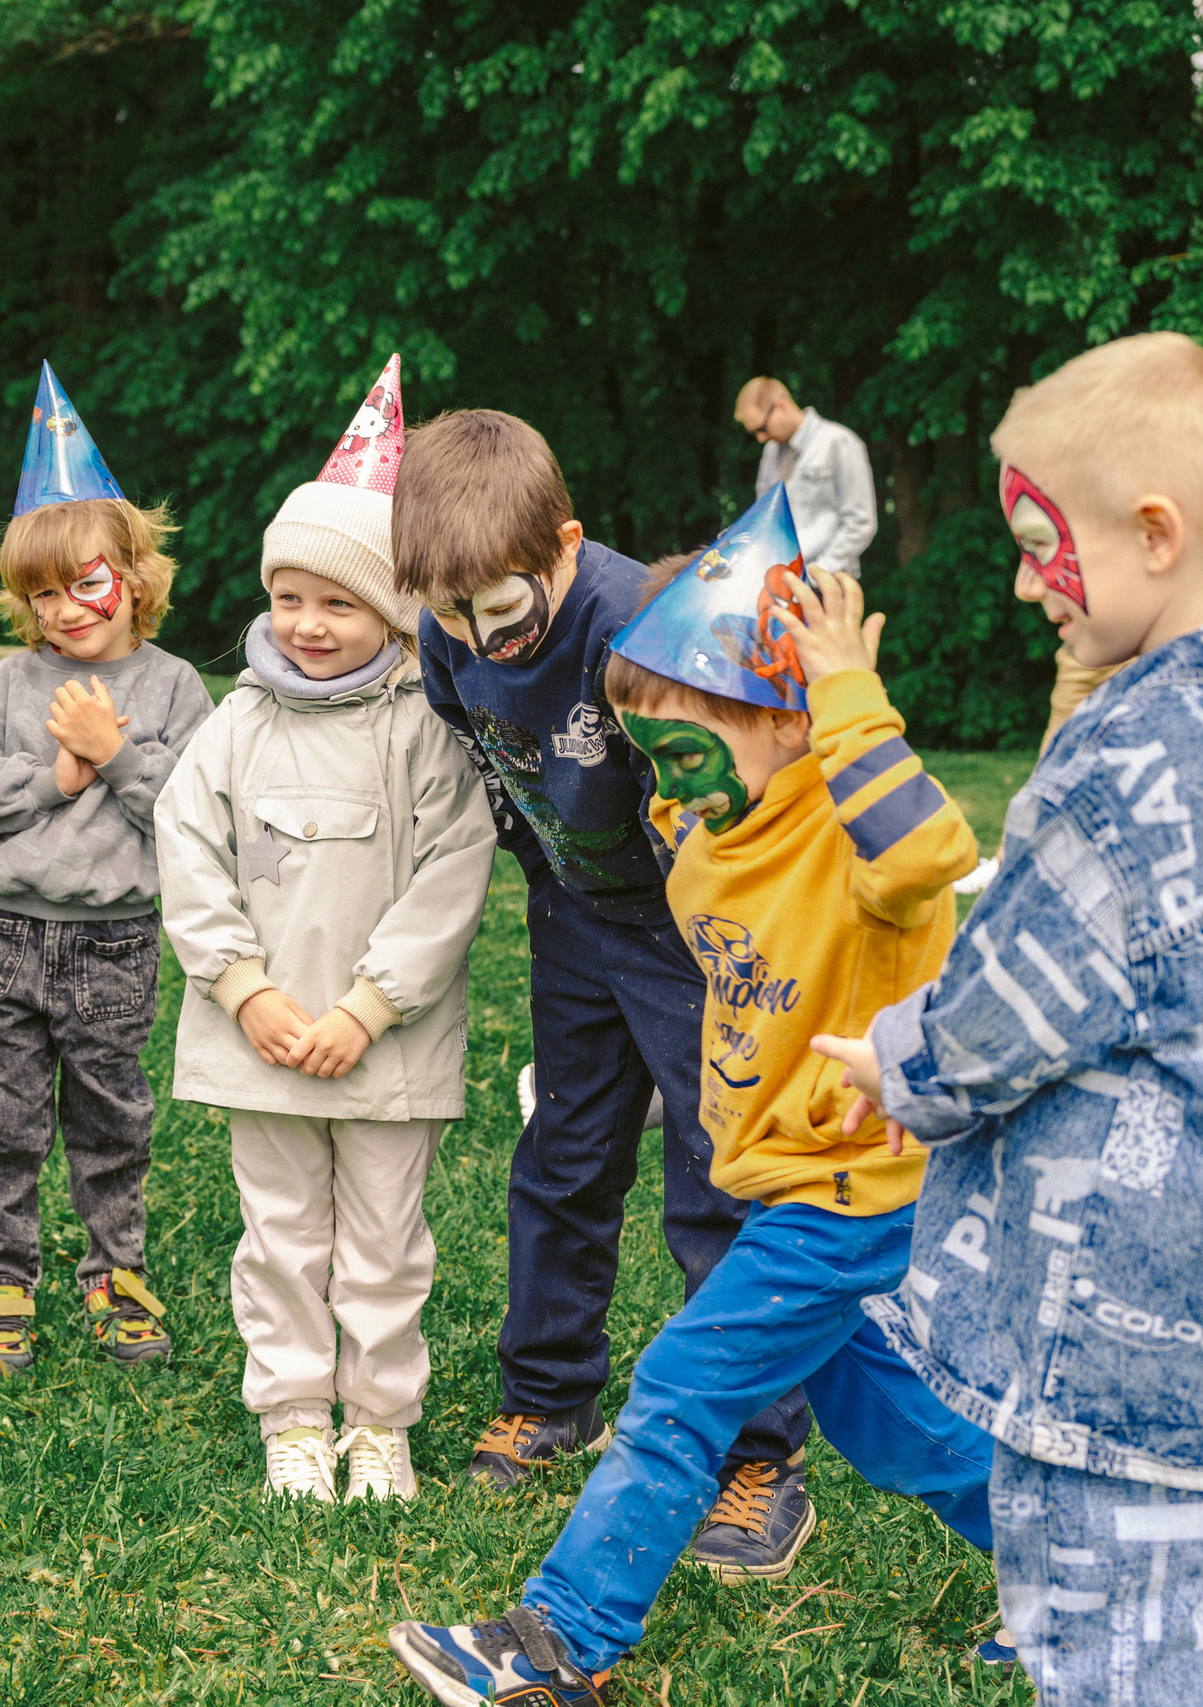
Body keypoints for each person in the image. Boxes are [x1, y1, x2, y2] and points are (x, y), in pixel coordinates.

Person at [386, 486, 999, 1706]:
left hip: (847, 1189)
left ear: (786, 722)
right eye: (650, 761)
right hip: (778, 1179)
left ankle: (559, 1643)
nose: (668, 791)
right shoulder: (704, 825)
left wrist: (842, 702)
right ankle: (1080, 1572)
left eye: (686, 756)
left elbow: (932, 856)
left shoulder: (846, 833)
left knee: (677, 1389)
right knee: (889, 1427)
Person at [823, 332, 1203, 1703]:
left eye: (1039, 542)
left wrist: (898, 1058)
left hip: (1103, 1317)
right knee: (1174, 1618)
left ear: (1154, 533)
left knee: (1094, 1635)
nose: (1021, 580)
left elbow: (1005, 1013)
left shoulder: (1119, 770)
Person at [392, 408, 812, 1579]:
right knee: (565, 1154)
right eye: (451, 615)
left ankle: (758, 1456)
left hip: (696, 941)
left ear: (565, 546)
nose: (482, 641)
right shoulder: (453, 637)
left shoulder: (640, 630)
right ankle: (549, 1395)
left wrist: (735, 957)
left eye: (503, 611)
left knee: (714, 1185)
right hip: (575, 920)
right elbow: (486, 763)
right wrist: (548, 886)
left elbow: (737, 795)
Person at [156, 358, 496, 1501]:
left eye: (339, 602)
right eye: (288, 597)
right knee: (282, 1240)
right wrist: (244, 988)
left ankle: (380, 1420)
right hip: (264, 1043)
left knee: (385, 1247)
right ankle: (295, 1412)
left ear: (395, 609)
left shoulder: (423, 729)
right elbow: (187, 855)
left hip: (382, 1049)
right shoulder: (234, 724)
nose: (307, 624)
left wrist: (366, 1007)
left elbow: (454, 869)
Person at [0, 360, 212, 1373]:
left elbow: (191, 815)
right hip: (6, 934)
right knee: (0, 1117)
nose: (63, 610)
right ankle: (1, 1279)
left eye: (83, 583)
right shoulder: (7, 687)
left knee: (109, 1116)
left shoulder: (176, 689)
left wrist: (117, 750)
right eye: (39, 594)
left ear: (132, 574)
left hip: (115, 943)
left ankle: (115, 1274)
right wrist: (57, 771)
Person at [736, 377, 877, 578]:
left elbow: (860, 523)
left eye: (762, 428)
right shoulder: (771, 453)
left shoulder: (839, 442)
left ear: (781, 406)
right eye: (755, 433)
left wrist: (813, 575)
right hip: (782, 583)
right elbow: (764, 516)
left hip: (829, 585)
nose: (761, 438)